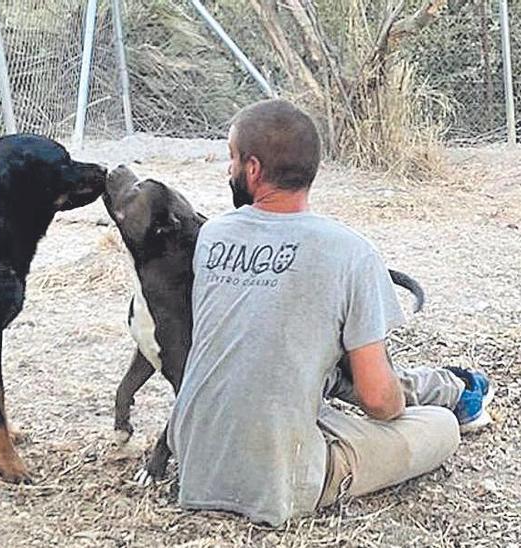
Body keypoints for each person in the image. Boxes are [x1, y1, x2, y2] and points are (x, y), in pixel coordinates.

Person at [166, 99, 494, 526]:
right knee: (439, 427)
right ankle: (452, 393)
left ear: (253, 169)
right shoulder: (349, 251)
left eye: (231, 157)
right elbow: (378, 401)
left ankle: (446, 386)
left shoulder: (212, 236)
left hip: (192, 452)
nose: (228, 169)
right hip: (281, 476)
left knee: (322, 375)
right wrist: (392, 403)